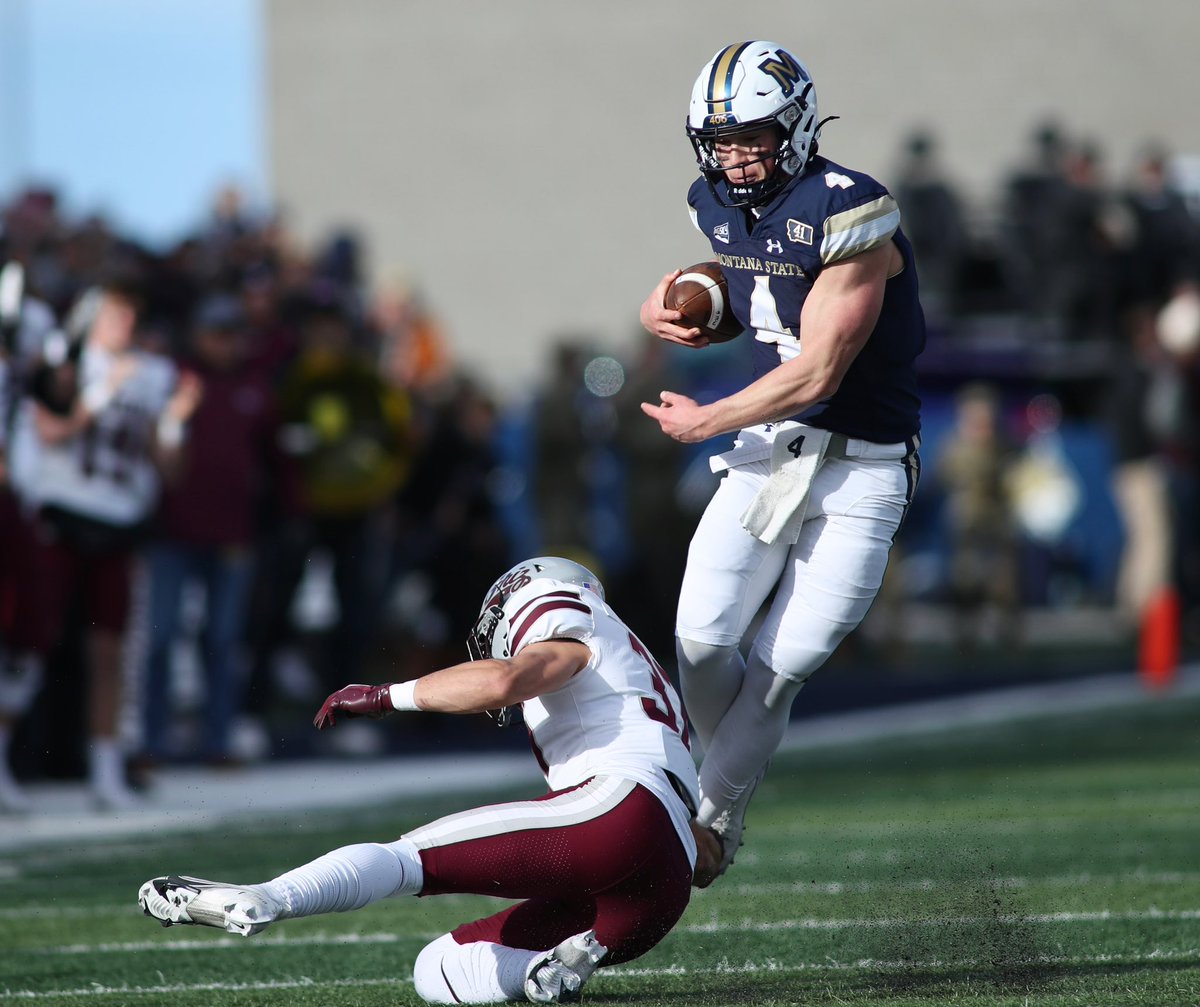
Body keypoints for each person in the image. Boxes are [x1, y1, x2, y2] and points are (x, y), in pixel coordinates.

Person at [138, 556, 698, 1005]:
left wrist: (387, 696)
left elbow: (506, 680)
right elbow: (709, 851)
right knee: (441, 967)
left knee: (410, 860)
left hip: (617, 811)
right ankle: (541, 974)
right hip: (661, 884)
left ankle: (264, 899)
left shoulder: (558, 607)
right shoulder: (641, 675)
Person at [638, 41, 925, 886]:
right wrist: (694, 308)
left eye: (751, 136)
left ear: (796, 125)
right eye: (718, 141)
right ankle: (697, 795)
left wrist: (709, 419)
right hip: (774, 450)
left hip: (863, 467)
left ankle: (708, 818)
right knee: (698, 639)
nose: (733, 156)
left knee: (781, 668)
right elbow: (765, 298)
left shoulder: (851, 207)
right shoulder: (714, 203)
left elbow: (818, 368)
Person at [6, 276, 202, 808]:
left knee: (110, 651)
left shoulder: (156, 373)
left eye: (131, 314)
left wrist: (176, 425)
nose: (125, 324)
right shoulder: (64, 358)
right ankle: (3, 759)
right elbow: (50, 429)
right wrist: (100, 391)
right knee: (31, 642)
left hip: (118, 520)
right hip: (60, 511)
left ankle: (106, 772)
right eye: (115, 313)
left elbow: (171, 471)